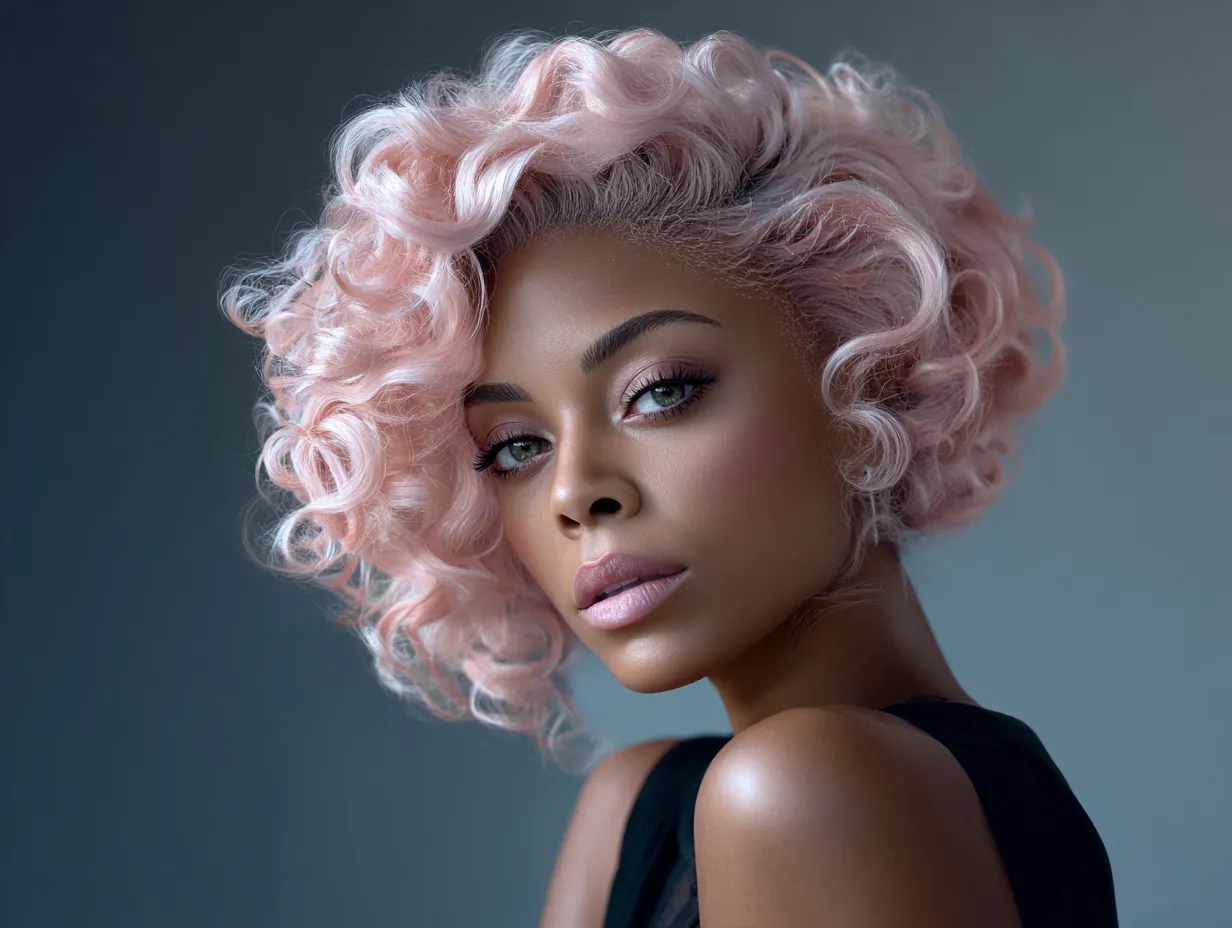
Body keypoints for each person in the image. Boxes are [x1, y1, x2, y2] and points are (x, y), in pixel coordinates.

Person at [219, 27, 1119, 927]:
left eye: (659, 393)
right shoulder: (634, 807)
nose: (577, 492)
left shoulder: (802, 790)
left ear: (864, 379)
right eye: (516, 447)